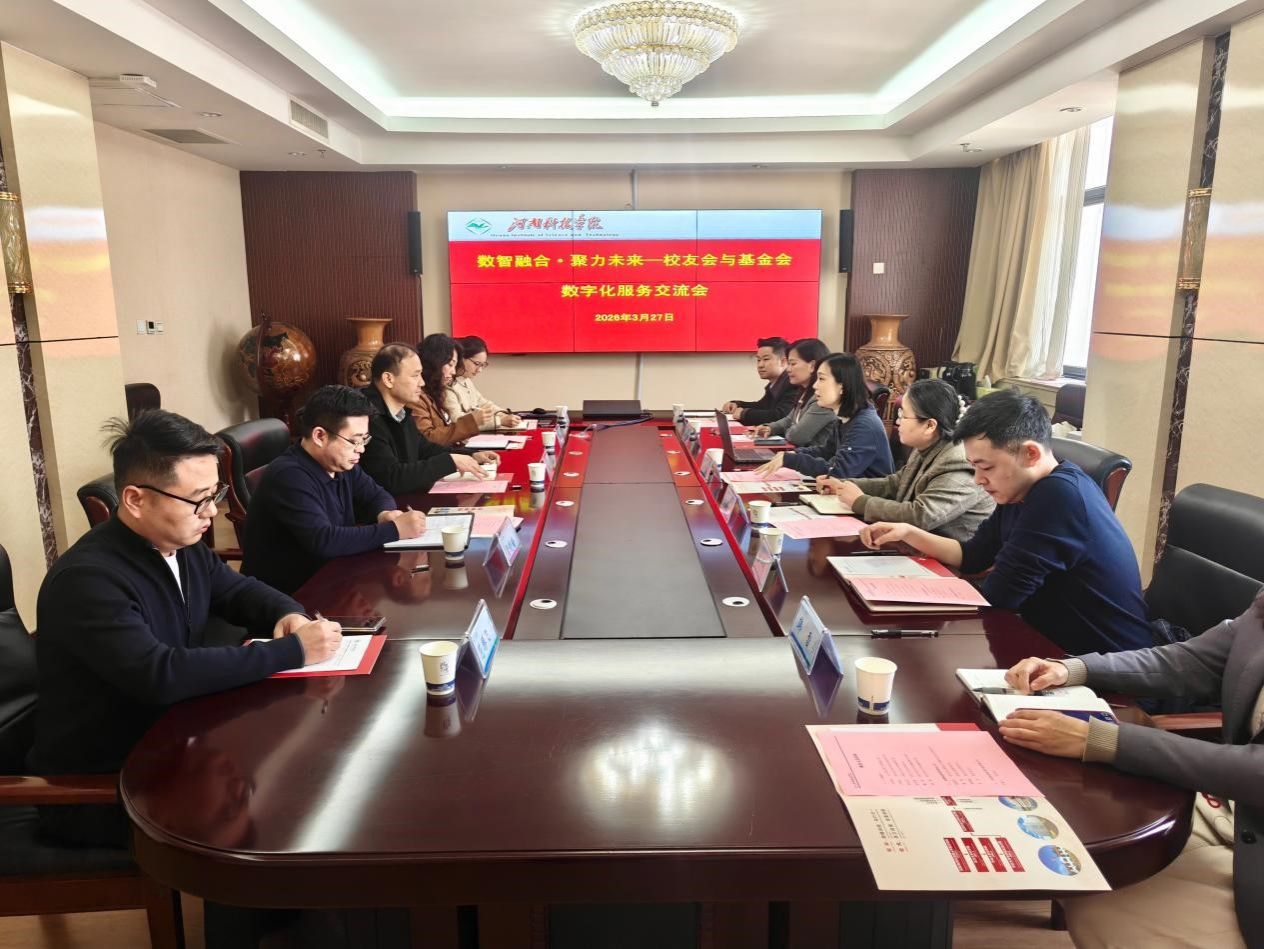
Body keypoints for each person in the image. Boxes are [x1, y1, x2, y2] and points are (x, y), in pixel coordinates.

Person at [30, 410, 342, 847]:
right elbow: (161, 674)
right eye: (198, 499)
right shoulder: (88, 580)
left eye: (215, 494)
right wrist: (292, 651)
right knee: (277, 820)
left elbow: (238, 590)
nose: (212, 512)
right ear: (135, 499)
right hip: (107, 783)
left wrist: (287, 615)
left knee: (308, 778)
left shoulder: (180, 543)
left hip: (178, 742)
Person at [998, 592, 1264, 949]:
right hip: (1232, 809)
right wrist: (1075, 669)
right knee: (1071, 845)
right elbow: (1191, 661)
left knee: (1095, 899)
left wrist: (1105, 740)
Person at [859, 388, 1151, 655]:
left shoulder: (1059, 496)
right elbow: (973, 556)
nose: (978, 480)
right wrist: (908, 533)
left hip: (1100, 664)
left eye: (986, 467)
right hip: (1047, 646)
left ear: (1030, 453)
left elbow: (999, 596)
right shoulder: (1021, 490)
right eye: (974, 467)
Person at [242, 385, 427, 595]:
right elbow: (324, 540)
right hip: (289, 596)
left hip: (333, 578)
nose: (361, 449)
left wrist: (385, 514)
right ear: (320, 436)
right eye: (354, 441)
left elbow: (377, 494)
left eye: (364, 439)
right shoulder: (289, 476)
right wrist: (394, 530)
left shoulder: (341, 464)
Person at [812, 378, 994, 542]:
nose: (897, 422)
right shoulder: (928, 446)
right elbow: (896, 483)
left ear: (930, 425)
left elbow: (921, 515)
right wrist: (844, 485)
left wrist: (861, 502)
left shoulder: (959, 461)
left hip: (949, 559)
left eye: (903, 416)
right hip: (914, 545)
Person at [361, 343, 497, 496]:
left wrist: (470, 455)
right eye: (415, 376)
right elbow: (392, 478)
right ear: (388, 379)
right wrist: (449, 461)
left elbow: (425, 449)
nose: (422, 382)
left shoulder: (401, 412)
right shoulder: (366, 418)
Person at [754, 352, 894, 480]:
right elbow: (827, 451)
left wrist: (793, 460)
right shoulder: (846, 416)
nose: (815, 386)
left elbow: (838, 472)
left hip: (864, 496)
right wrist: (794, 453)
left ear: (842, 386)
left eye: (821, 379)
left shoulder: (864, 425)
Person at [749, 337, 833, 451]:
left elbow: (798, 436)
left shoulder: (822, 399)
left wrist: (787, 430)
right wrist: (770, 428)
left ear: (812, 366)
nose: (788, 369)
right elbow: (789, 419)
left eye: (793, 364)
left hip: (813, 459)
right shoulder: (803, 391)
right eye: (788, 364)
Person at [411, 333, 492, 445]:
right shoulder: (416, 397)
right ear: (435, 362)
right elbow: (427, 439)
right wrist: (471, 422)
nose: (453, 372)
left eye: (455, 366)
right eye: (450, 364)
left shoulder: (436, 392)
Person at [446, 335, 521, 431]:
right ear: (461, 358)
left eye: (483, 365)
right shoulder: (447, 384)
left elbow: (484, 403)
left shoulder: (466, 381)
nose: (479, 370)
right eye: (477, 364)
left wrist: (504, 414)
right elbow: (456, 420)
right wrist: (500, 421)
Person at [721, 336, 799, 425]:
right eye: (758, 360)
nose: (760, 365)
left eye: (766, 359)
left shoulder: (793, 384)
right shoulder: (775, 384)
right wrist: (737, 404)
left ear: (783, 361)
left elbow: (781, 415)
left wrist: (745, 414)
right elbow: (762, 406)